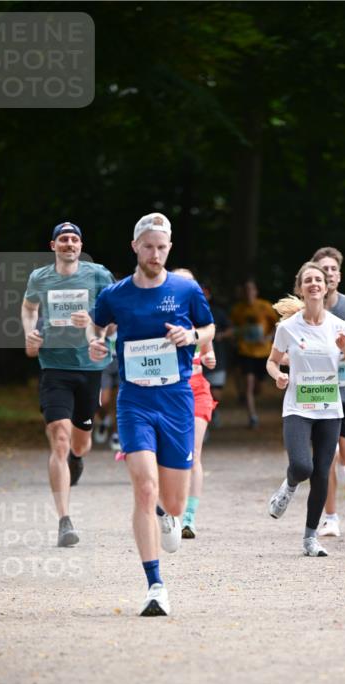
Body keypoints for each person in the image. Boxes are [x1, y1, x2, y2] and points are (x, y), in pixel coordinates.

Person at [89, 213, 214, 616]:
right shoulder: (115, 294)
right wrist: (95, 344)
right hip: (135, 401)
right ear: (135, 248)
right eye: (149, 247)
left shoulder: (185, 288)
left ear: (169, 249)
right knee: (144, 487)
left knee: (173, 502)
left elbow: (208, 328)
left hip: (176, 399)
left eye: (162, 248)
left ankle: (168, 515)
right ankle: (155, 585)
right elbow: (96, 328)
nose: (156, 254)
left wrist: (191, 336)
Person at [266, 262, 345, 556]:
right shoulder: (287, 327)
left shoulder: (339, 327)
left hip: (329, 410)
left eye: (319, 280)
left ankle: (310, 538)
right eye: (308, 280)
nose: (314, 284)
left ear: (326, 287)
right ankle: (288, 487)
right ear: (300, 288)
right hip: (298, 408)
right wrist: (279, 376)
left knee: (322, 473)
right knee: (302, 466)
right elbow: (272, 361)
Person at [21, 222, 115, 547]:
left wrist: (93, 320)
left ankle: (77, 459)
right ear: (53, 246)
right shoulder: (40, 278)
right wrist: (29, 336)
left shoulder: (99, 274)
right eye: (64, 239)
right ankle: (64, 521)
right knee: (58, 437)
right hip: (53, 366)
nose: (69, 243)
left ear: (80, 245)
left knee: (79, 443)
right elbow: (29, 307)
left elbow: (116, 314)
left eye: (74, 239)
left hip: (90, 367)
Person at [311, 246, 345, 538]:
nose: (329, 274)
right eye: (323, 269)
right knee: (326, 456)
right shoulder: (304, 307)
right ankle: (330, 517)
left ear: (339, 275)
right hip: (317, 395)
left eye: (333, 269)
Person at [171, 269, 218, 539]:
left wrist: (209, 359)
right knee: (170, 454)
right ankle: (169, 509)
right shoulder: (159, 316)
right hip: (168, 392)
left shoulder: (202, 320)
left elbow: (209, 355)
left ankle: (189, 517)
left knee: (194, 453)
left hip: (198, 390)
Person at [230, 280, 279, 428]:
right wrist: (236, 336)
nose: (248, 293)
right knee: (249, 385)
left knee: (259, 387)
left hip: (263, 352)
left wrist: (269, 337)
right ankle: (253, 417)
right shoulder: (238, 309)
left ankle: (252, 397)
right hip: (245, 351)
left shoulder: (265, 306)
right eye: (246, 290)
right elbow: (232, 327)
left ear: (256, 292)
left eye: (251, 290)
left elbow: (276, 326)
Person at [200, 283, 232, 426]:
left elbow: (231, 329)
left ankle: (213, 411)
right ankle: (203, 421)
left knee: (216, 391)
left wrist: (221, 335)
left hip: (217, 356)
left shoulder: (217, 312)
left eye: (205, 293)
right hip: (196, 362)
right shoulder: (186, 312)